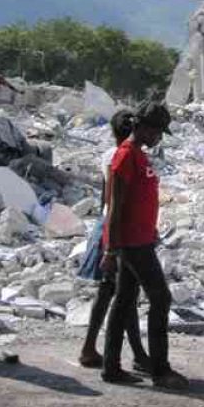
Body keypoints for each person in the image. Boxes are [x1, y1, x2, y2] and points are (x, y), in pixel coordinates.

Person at [100, 102, 188, 389]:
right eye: (158, 131)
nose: (159, 137)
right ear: (144, 127)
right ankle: (160, 370)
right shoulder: (125, 156)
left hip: (140, 239)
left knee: (124, 300)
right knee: (160, 298)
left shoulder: (138, 154)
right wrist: (111, 251)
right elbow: (115, 207)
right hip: (132, 243)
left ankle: (111, 368)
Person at [77, 109, 150, 373]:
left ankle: (92, 348)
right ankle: (136, 355)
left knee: (113, 291)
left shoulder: (114, 155)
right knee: (122, 293)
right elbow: (114, 199)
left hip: (107, 225)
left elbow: (104, 199)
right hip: (117, 230)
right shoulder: (121, 156)